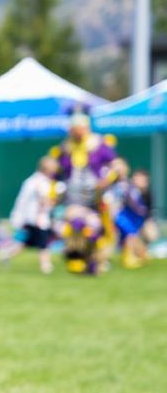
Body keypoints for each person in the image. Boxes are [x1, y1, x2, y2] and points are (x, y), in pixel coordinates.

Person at [48, 111, 120, 275]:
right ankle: (76, 258)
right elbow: (55, 174)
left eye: (80, 128)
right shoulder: (64, 148)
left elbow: (116, 166)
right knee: (73, 226)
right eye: (74, 129)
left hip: (97, 199)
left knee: (97, 228)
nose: (77, 132)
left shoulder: (100, 145)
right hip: (73, 200)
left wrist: (106, 181)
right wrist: (53, 194)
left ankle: (95, 261)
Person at [1, 157, 60, 274]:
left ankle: (6, 255)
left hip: (38, 219)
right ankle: (46, 266)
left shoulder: (46, 182)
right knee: (43, 243)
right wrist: (18, 218)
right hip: (36, 220)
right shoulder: (36, 182)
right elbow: (26, 201)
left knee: (25, 243)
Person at [116, 169, 153, 269]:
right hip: (124, 217)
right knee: (131, 235)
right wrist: (141, 210)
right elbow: (133, 204)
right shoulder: (129, 189)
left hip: (133, 219)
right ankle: (129, 258)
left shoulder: (146, 193)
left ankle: (132, 256)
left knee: (132, 236)